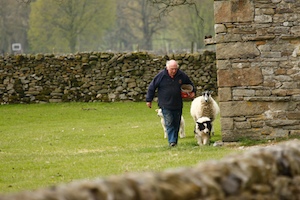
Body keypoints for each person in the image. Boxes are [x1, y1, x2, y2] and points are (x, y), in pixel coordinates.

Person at [146, 59, 196, 147]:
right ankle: (172, 141)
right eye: (172, 69)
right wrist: (149, 100)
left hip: (177, 103)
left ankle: (174, 141)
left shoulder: (181, 75)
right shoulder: (161, 76)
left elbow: (189, 84)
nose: (174, 71)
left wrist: (192, 92)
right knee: (169, 122)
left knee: (176, 123)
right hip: (165, 104)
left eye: (175, 69)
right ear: (167, 68)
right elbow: (152, 87)